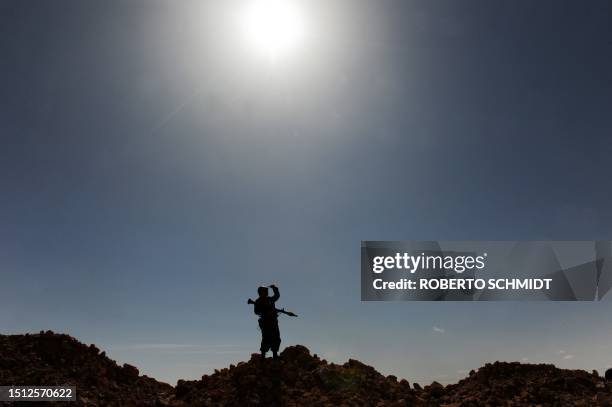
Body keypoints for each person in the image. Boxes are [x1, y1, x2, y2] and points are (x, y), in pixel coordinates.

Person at [253, 284, 281, 359]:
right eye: (265, 291)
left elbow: (277, 296)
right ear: (261, 292)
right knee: (266, 338)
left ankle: (275, 355)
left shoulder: (270, 299)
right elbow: (256, 312)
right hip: (265, 322)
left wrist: (275, 289)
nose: (267, 292)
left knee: (276, 337)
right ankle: (263, 356)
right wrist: (264, 312)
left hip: (273, 322)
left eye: (267, 290)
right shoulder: (258, 301)